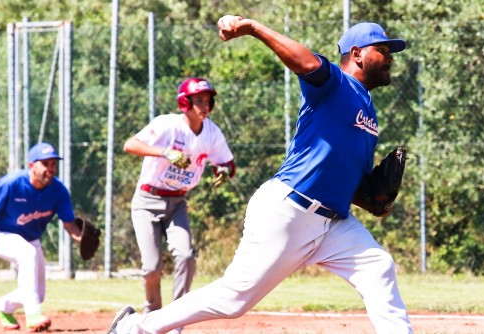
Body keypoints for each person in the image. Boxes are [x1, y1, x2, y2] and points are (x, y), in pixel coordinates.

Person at [108, 15, 412, 334]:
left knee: (379, 267)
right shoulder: (334, 83)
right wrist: (252, 28)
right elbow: (306, 63)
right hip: (290, 209)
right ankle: (133, 327)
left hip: (335, 222)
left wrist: (376, 201)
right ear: (357, 53)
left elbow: (354, 182)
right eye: (383, 48)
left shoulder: (369, 110)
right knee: (233, 300)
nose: (390, 56)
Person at [121, 77, 236, 332]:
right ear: (185, 103)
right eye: (198, 101)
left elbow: (227, 163)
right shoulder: (168, 125)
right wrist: (165, 152)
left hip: (177, 202)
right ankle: (152, 316)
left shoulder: (211, 132)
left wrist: (224, 172)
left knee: (186, 257)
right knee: (152, 267)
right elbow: (130, 145)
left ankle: (176, 321)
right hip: (147, 201)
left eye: (207, 101)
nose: (204, 106)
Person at [0, 142, 82, 332]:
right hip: (0, 235)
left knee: (37, 293)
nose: (50, 168)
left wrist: (81, 238)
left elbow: (69, 223)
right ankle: (33, 315)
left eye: (53, 164)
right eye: (45, 163)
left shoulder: (58, 191)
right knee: (28, 254)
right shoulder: (12, 183)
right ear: (32, 165)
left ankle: (2, 307)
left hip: (31, 239)